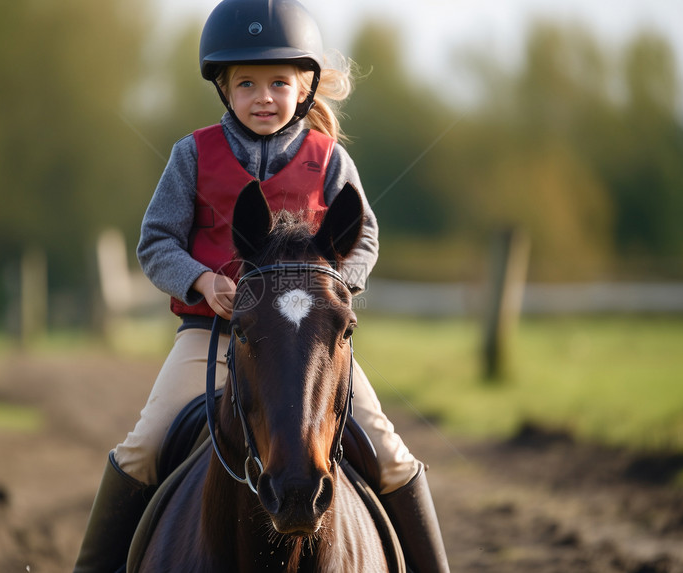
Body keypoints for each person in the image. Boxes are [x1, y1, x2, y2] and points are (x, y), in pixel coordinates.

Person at [73, 1, 449, 571]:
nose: (264, 97)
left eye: (278, 82)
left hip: (309, 350)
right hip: (213, 334)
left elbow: (364, 237)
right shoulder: (191, 155)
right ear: (224, 89)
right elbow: (155, 242)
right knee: (143, 448)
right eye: (246, 83)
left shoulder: (330, 159)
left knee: (392, 456)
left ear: (304, 87)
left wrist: (332, 289)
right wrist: (200, 281)